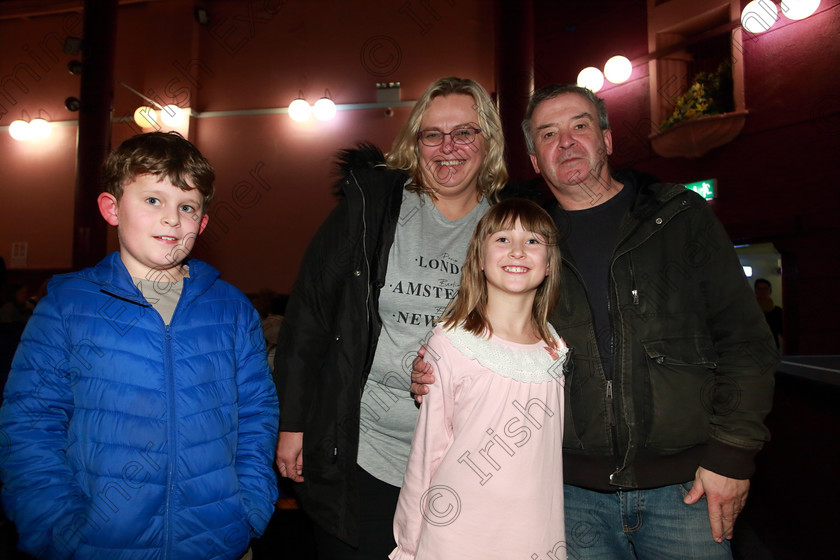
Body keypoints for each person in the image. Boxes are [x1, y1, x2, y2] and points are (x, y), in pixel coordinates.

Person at [412, 85, 778, 559]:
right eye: (548, 134)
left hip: (686, 488)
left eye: (579, 126)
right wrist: (436, 365)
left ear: (606, 139)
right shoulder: (529, 241)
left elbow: (745, 342)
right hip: (567, 495)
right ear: (535, 160)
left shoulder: (678, 217)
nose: (565, 141)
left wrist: (732, 457)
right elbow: (486, 324)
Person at [0, 132, 279, 560]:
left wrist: (247, 511)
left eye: (187, 206)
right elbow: (30, 422)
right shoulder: (68, 307)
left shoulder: (232, 311)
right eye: (153, 200)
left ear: (202, 222)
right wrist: (57, 527)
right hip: (100, 544)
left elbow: (257, 413)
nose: (172, 219)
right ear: (111, 208)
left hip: (216, 541)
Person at [273, 76, 507, 558]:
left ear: (488, 142)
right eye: (432, 134)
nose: (448, 148)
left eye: (464, 133)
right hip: (364, 450)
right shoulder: (374, 207)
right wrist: (292, 423)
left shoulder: (509, 224)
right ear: (414, 142)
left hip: (463, 460)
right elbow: (310, 314)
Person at [390, 199, 568, 560]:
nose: (518, 250)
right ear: (479, 259)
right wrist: (408, 545)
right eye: (502, 239)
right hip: (456, 535)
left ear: (549, 264)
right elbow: (427, 451)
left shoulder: (556, 349)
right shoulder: (450, 341)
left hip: (535, 534)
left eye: (533, 241)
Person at [754, 278, 783, 349]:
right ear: (755, 291)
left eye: (765, 288)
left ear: (770, 291)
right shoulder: (750, 310)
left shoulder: (777, 311)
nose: (762, 291)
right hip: (754, 347)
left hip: (772, 346)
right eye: (759, 289)